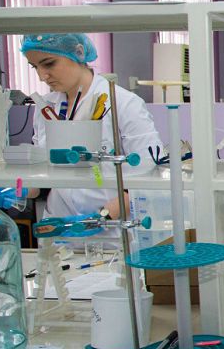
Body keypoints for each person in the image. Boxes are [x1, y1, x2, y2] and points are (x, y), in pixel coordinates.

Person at [21, 33, 163, 221]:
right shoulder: (45, 107)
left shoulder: (123, 103)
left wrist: (101, 218)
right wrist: (16, 190)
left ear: (78, 53)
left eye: (49, 64)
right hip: (59, 225)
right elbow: (42, 174)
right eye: (34, 67)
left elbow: (151, 173)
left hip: (110, 227)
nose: (41, 76)